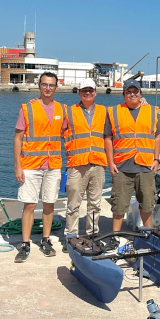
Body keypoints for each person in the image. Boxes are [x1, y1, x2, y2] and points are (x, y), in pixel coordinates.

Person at [13, 72, 66, 263]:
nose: (47, 88)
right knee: (29, 204)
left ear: (56, 87)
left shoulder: (62, 109)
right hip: (30, 165)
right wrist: (17, 166)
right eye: (44, 84)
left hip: (53, 164)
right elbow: (18, 138)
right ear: (39, 86)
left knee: (49, 203)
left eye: (51, 85)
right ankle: (25, 243)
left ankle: (45, 240)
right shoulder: (27, 108)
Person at [105, 79, 160, 244]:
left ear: (140, 93)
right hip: (122, 167)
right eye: (128, 92)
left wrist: (156, 159)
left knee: (147, 204)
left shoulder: (151, 111)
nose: (132, 94)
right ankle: (115, 236)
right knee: (119, 205)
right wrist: (110, 162)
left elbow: (157, 136)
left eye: (135, 91)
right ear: (124, 94)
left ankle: (148, 235)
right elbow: (108, 138)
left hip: (145, 165)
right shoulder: (114, 112)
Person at [61, 78, 106, 252]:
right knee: (73, 203)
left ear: (95, 92)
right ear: (79, 93)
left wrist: (142, 101)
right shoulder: (68, 111)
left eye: (90, 90)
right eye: (84, 90)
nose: (88, 93)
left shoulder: (104, 111)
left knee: (95, 203)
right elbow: (51, 121)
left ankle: (92, 235)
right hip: (76, 164)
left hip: (97, 164)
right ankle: (71, 236)